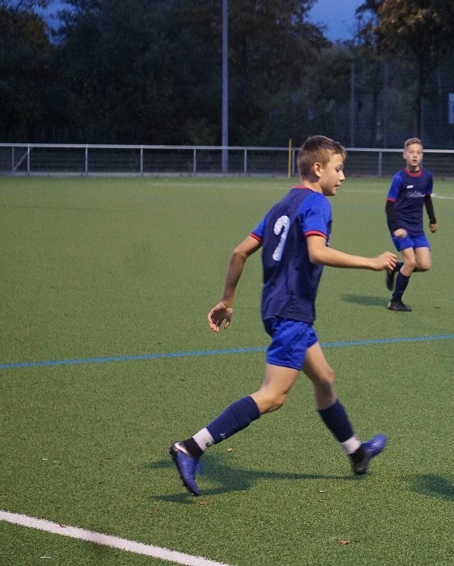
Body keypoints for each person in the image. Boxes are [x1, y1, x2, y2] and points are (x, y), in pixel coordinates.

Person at [168, 135, 397, 496]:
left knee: (324, 379)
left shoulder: (282, 205)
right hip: (291, 312)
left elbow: (239, 252)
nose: (343, 176)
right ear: (317, 169)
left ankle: (357, 453)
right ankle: (191, 447)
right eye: (338, 168)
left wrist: (227, 300)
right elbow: (317, 252)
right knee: (273, 396)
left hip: (278, 309)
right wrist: (371, 262)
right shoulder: (318, 203)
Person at [384, 137, 438, 312]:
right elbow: (388, 207)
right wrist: (395, 228)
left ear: (422, 155)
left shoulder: (427, 176)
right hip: (400, 227)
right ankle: (395, 301)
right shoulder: (399, 178)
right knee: (410, 262)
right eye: (411, 152)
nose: (415, 155)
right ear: (404, 155)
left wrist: (432, 220)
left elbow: (427, 198)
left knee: (424, 265)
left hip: (417, 228)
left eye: (418, 152)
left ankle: (393, 268)